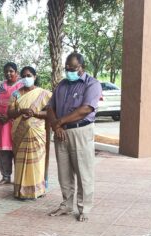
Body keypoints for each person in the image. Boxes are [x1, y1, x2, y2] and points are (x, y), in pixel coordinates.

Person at [47, 53, 102, 222]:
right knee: (64, 172)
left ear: (81, 67)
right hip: (61, 133)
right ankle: (66, 205)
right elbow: (50, 108)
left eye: (73, 68)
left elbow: (86, 109)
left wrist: (59, 122)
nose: (69, 71)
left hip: (80, 131)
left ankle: (84, 208)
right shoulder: (61, 85)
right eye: (67, 68)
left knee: (83, 172)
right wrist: (56, 126)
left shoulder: (91, 84)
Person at [7, 66, 52, 200]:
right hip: (19, 132)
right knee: (20, 162)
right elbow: (9, 113)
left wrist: (36, 113)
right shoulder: (15, 94)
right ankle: (20, 191)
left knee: (37, 162)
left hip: (37, 131)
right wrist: (21, 111)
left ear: (35, 77)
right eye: (24, 76)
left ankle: (38, 190)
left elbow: (50, 113)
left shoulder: (44, 94)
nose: (27, 78)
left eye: (29, 75)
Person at [0, 62, 22, 185]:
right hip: (2, 124)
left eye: (11, 71)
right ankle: (6, 176)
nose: (8, 73)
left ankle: (19, 177)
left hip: (16, 123)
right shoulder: (0, 86)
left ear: (16, 72)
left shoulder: (21, 86)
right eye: (6, 71)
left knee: (17, 150)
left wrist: (9, 116)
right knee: (3, 151)